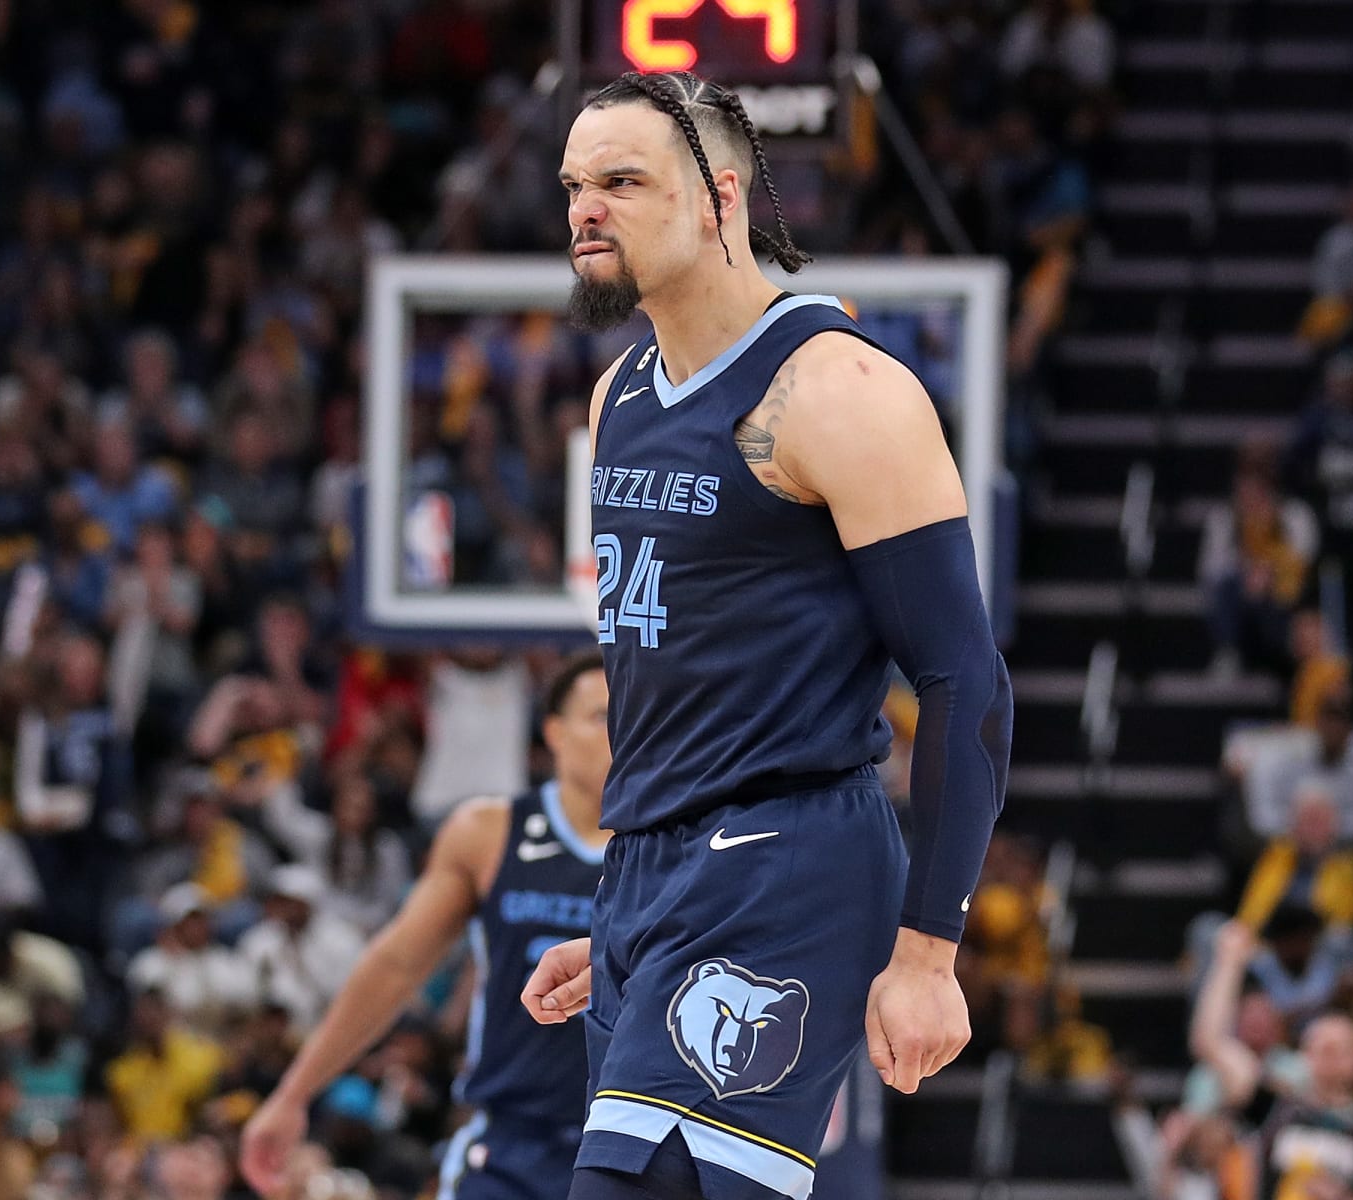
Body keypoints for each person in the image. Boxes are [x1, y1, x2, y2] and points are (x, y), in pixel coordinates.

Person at [521, 71, 1013, 1200]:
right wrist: (630, 922)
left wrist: (928, 951)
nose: (585, 209)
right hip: (654, 876)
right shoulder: (619, 397)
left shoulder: (838, 391)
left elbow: (965, 680)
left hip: (785, 862)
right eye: (574, 185)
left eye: (622, 181)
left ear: (720, 199)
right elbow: (680, 679)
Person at [240, 652, 613, 1200]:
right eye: (601, 716)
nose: (620, 732)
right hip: (512, 1144)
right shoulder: (488, 832)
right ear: (554, 732)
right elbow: (395, 965)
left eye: (632, 715)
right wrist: (293, 1094)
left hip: (634, 1140)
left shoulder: (679, 841)